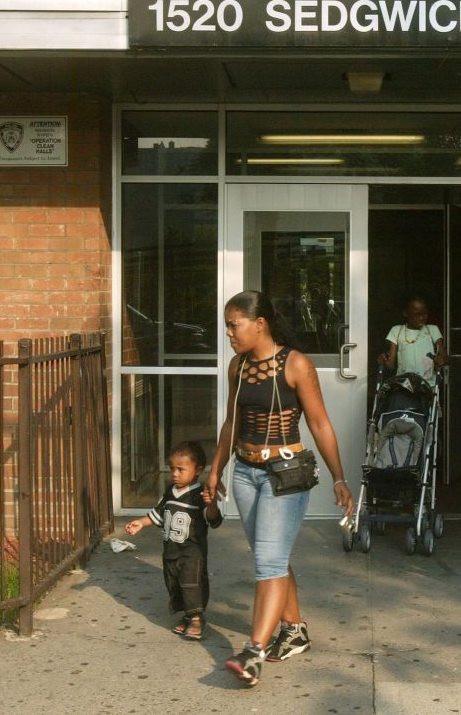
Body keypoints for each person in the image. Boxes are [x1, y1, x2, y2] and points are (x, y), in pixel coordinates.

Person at [204, 290, 354, 688]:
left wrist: (339, 477)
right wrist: (215, 469)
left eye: (234, 326)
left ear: (260, 324)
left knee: (268, 562)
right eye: (227, 327)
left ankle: (253, 652)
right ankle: (295, 629)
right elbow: (230, 424)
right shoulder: (237, 366)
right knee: (272, 554)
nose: (229, 335)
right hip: (245, 473)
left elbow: (320, 424)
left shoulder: (296, 364)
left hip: (285, 473)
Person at [124, 440, 222, 641]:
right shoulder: (170, 492)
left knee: (191, 584)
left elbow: (213, 519)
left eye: (181, 469)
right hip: (170, 551)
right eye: (172, 468)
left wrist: (211, 504)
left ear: (198, 470)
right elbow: (158, 514)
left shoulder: (199, 495)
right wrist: (141, 523)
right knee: (175, 584)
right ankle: (187, 616)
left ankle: (196, 618)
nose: (175, 473)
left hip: (191, 553)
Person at [377, 295, 448, 387]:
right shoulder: (397, 330)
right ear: (405, 313)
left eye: (425, 313)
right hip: (403, 384)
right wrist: (383, 360)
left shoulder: (432, 330)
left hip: (428, 385)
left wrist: (442, 360)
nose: (422, 317)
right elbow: (391, 365)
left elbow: (446, 358)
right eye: (417, 314)